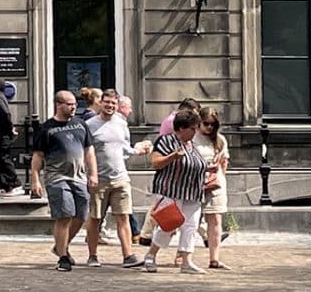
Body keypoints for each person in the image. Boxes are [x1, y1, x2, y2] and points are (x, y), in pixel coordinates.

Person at [133, 107, 207, 275]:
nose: (195, 132)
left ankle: (186, 260)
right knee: (169, 224)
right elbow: (156, 163)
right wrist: (173, 156)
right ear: (181, 128)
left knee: (191, 226)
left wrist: (208, 169)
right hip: (171, 189)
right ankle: (151, 255)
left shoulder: (192, 144)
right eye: (192, 129)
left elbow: (193, 164)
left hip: (192, 191)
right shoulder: (166, 141)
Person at [31, 89, 98, 271]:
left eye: (75, 104)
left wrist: (93, 173)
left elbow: (89, 151)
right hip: (57, 177)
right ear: (58, 105)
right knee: (64, 216)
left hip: (79, 177)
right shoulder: (46, 128)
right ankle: (63, 257)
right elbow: (38, 156)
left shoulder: (80, 125)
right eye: (69, 104)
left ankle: (61, 245)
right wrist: (35, 179)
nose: (73, 107)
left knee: (81, 215)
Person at [83, 89, 144, 268]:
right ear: (101, 103)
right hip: (99, 179)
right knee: (96, 218)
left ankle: (128, 255)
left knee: (123, 216)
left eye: (113, 103)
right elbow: (85, 152)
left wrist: (137, 150)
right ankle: (92, 255)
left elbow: (125, 148)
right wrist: (90, 174)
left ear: (117, 106)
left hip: (120, 177)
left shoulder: (121, 123)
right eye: (107, 102)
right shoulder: (90, 125)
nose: (110, 106)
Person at [197, 109, 231, 269]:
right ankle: (181, 255)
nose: (210, 127)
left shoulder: (220, 140)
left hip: (215, 184)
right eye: (206, 123)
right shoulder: (192, 138)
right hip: (195, 183)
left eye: (213, 124)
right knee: (190, 221)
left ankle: (214, 259)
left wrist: (219, 177)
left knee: (216, 219)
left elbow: (224, 162)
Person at [0, 78, 22, 195]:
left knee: (4, 160)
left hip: (3, 136)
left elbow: (6, 114)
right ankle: (4, 186)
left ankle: (16, 184)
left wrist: (10, 129)